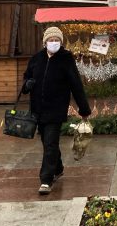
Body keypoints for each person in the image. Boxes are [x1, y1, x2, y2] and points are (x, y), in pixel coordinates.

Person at [22, 26, 91, 195]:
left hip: (56, 109)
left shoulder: (65, 59)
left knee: (51, 142)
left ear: (61, 42)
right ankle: (58, 167)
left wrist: (84, 109)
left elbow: (76, 84)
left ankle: (46, 180)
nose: (54, 43)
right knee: (47, 142)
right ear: (45, 42)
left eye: (57, 40)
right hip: (38, 109)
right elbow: (26, 78)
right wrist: (27, 85)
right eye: (51, 40)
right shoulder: (36, 58)